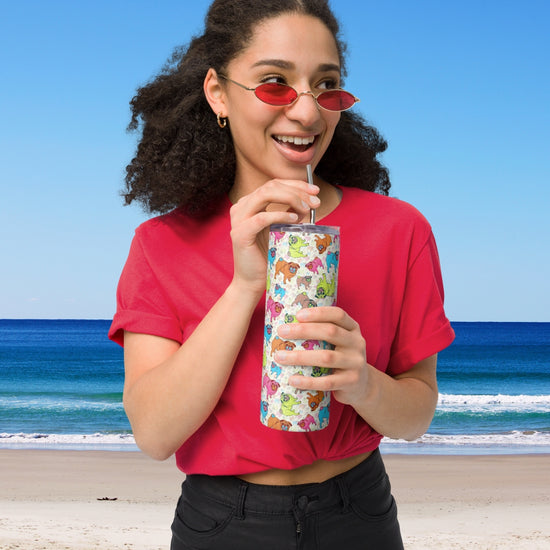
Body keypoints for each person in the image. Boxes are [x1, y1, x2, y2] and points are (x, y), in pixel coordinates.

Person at [109, 0, 455, 548]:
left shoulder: (400, 230)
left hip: (359, 509)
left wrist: (364, 383)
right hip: (222, 520)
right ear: (218, 93)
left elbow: (416, 414)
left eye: (327, 86)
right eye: (275, 84)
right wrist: (246, 285)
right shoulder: (161, 245)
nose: (307, 113)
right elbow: (154, 433)